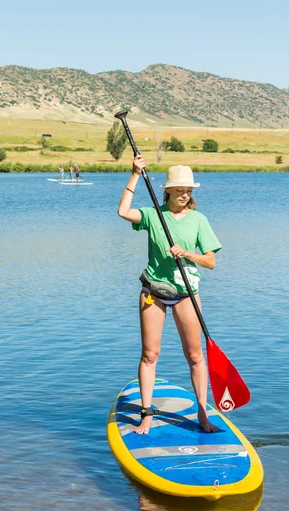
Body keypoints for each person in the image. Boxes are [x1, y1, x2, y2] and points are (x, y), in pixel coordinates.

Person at [118, 157, 222, 435]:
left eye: (188, 189)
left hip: (187, 292)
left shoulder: (199, 220)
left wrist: (187, 253)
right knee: (150, 355)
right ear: (167, 191)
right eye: (178, 190)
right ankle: (147, 414)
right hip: (153, 292)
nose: (184, 194)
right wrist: (135, 175)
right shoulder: (153, 215)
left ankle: (202, 413)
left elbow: (210, 261)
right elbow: (123, 211)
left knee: (195, 356)